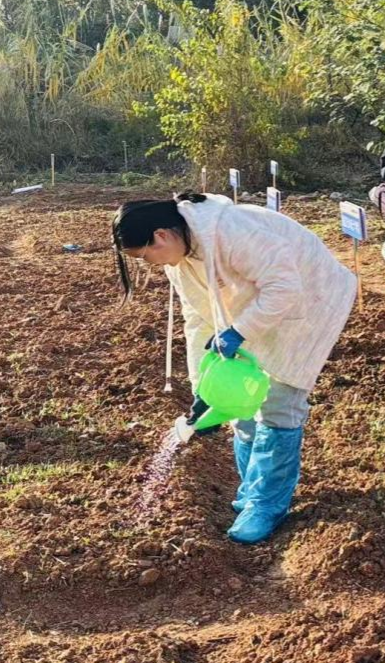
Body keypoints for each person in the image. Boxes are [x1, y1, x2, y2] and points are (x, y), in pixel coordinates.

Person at [111, 193, 356, 545]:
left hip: (306, 301)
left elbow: (284, 286)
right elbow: (197, 318)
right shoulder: (179, 261)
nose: (149, 264)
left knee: (278, 404)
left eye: (144, 256)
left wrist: (240, 331)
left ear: (161, 236)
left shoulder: (231, 230)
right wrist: (202, 385)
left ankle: (266, 505)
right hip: (254, 311)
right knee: (239, 404)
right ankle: (251, 491)